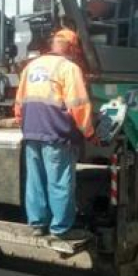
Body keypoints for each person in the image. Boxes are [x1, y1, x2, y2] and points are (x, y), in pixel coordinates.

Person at [14, 29, 96, 240]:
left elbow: (19, 105)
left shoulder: (30, 67)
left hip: (32, 132)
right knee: (59, 181)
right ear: (71, 47)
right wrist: (89, 132)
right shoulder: (68, 68)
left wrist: (25, 126)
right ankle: (60, 229)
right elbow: (78, 105)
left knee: (35, 180)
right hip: (57, 133)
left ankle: (38, 224)